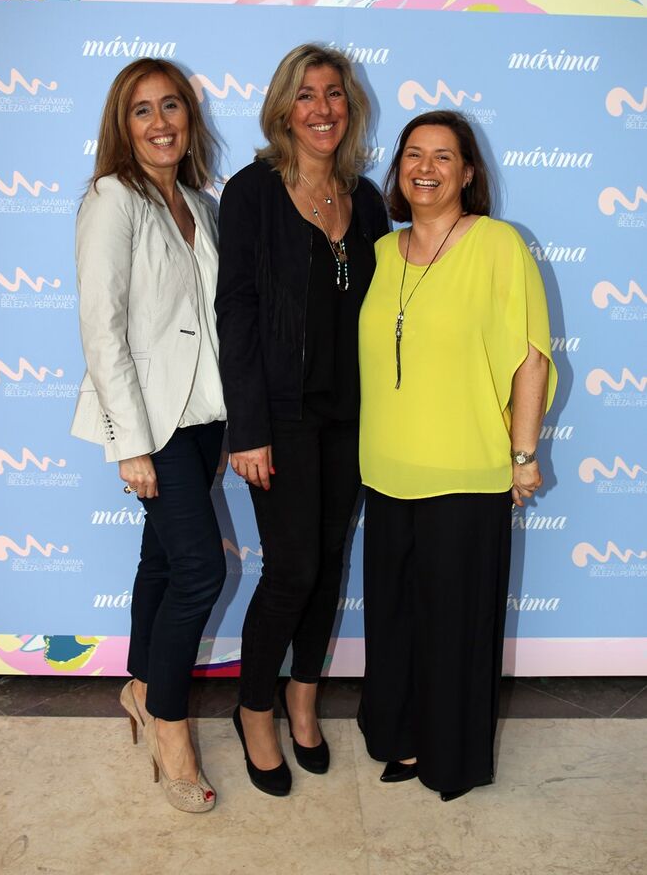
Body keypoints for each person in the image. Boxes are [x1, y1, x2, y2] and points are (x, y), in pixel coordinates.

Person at [357, 110, 557, 800]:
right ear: (398, 169)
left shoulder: (497, 244)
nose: (427, 167)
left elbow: (530, 356)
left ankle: (454, 760)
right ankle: (404, 738)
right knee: (396, 621)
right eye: (414, 153)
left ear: (468, 172)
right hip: (385, 473)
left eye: (445, 156)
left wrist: (523, 454)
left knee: (457, 628)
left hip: (467, 475)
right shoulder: (383, 253)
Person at [216, 43, 388, 796]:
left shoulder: (368, 197)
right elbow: (238, 313)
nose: (322, 109)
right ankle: (254, 710)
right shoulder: (253, 192)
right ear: (285, 107)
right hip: (279, 418)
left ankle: (303, 700)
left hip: (353, 419)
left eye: (335, 95)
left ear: (349, 107)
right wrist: (245, 429)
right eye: (306, 95)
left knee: (328, 568)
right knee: (291, 571)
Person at [71, 58, 227, 813]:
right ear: (121, 125)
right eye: (142, 110)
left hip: (205, 419)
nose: (161, 121)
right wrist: (129, 440)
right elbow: (102, 328)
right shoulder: (113, 199)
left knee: (164, 563)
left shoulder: (202, 199)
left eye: (171, 106)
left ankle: (140, 684)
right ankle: (169, 723)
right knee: (202, 572)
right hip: (150, 420)